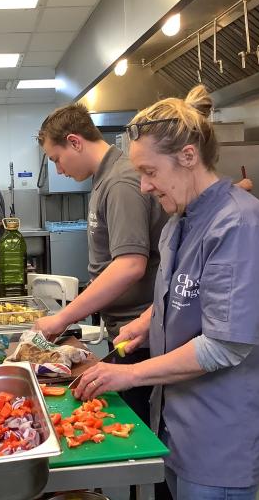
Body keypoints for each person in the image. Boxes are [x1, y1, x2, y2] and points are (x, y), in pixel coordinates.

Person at [74, 85, 259, 500]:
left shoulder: (240, 226)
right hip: (175, 426)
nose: (143, 187)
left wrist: (130, 373)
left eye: (150, 172)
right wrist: (146, 323)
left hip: (220, 441)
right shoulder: (181, 220)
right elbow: (184, 292)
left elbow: (224, 345)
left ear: (188, 157)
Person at [35, 102, 167, 425]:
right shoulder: (102, 178)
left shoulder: (120, 182)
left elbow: (130, 265)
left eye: (57, 159)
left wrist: (61, 318)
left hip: (142, 337)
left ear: (75, 142)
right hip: (124, 332)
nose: (59, 169)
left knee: (142, 433)